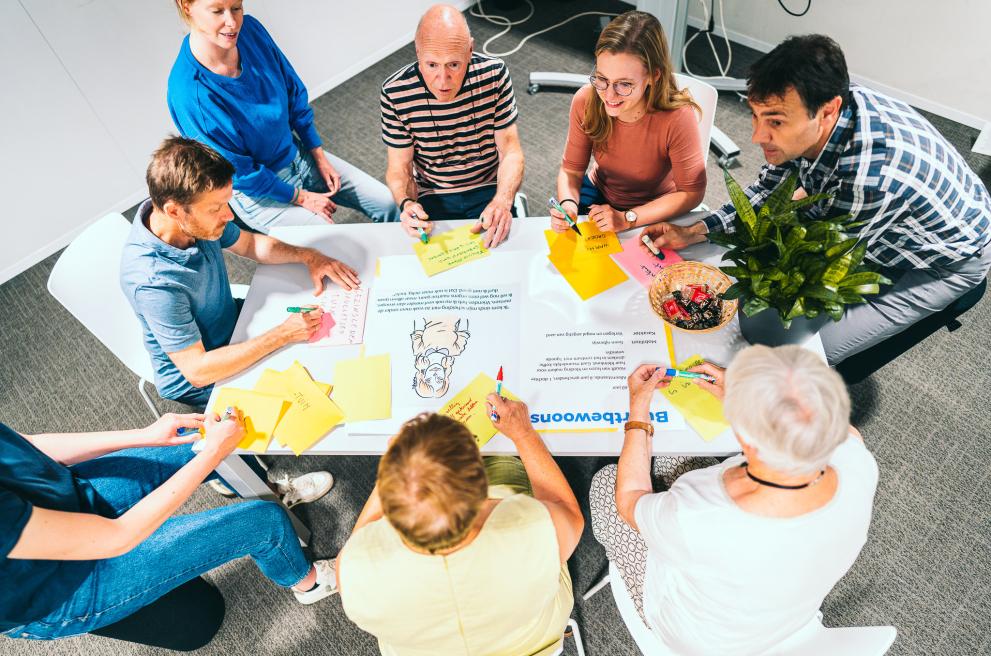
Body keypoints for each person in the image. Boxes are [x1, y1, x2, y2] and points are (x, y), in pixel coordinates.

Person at [640, 34, 991, 365]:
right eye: (756, 116)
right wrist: (698, 231)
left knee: (802, 354)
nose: (758, 136)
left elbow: (818, 262)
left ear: (827, 112)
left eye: (775, 121)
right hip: (886, 217)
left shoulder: (870, 177)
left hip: (941, 261)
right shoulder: (821, 100)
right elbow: (770, 192)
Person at [589, 346, 879, 655]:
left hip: (701, 638)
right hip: (783, 617)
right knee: (668, 461)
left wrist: (638, 409)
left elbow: (631, 498)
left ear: (747, 440)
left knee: (607, 482)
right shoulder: (856, 459)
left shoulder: (699, 516)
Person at [0, 411, 337, 641]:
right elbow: (114, 539)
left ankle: (249, 483)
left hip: (58, 500)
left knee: (199, 442)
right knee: (262, 520)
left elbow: (25, 447)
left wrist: (143, 436)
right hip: (59, 590)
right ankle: (308, 583)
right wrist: (214, 454)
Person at [121, 136, 360, 409]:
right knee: (322, 395)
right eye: (216, 208)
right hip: (203, 373)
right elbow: (197, 370)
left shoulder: (193, 218)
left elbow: (249, 243)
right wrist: (282, 334)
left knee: (328, 348)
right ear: (174, 211)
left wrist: (309, 256)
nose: (229, 215)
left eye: (226, 203)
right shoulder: (153, 282)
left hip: (233, 322)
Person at [336, 400, 584, 655]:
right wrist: (523, 434)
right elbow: (568, 512)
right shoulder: (530, 531)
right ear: (481, 494)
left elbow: (356, 546)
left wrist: (396, 470)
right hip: (534, 642)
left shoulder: (358, 570)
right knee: (508, 472)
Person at [167, 0, 399, 233]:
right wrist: (301, 197)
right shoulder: (190, 93)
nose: (232, 22)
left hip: (299, 156)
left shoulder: (250, 30)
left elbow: (293, 92)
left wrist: (318, 154)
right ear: (186, 6)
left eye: (237, 7)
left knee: (389, 203)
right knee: (338, 248)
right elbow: (241, 173)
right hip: (260, 192)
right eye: (217, 11)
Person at [550, 10, 706, 235]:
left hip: (655, 208)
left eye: (624, 85)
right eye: (602, 79)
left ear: (654, 76)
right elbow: (571, 171)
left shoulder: (678, 116)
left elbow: (692, 193)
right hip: (598, 194)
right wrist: (568, 205)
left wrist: (627, 218)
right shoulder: (586, 100)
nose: (610, 96)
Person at [381, 4, 524, 248]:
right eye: (432, 65)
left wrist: (503, 199)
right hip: (434, 195)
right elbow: (399, 167)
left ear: (470, 50)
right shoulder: (395, 92)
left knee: (509, 258)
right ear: (417, 52)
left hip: (490, 187)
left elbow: (511, 151)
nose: (442, 81)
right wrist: (407, 204)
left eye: (454, 65)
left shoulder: (494, 74)